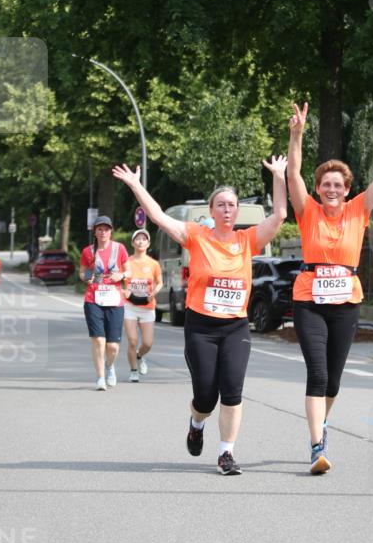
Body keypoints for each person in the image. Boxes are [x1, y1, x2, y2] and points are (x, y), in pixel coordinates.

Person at [113, 156, 288, 476]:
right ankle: (196, 424)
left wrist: (279, 176)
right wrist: (137, 186)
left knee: (232, 390)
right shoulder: (196, 235)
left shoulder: (247, 240)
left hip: (236, 326)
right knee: (206, 396)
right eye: (220, 205)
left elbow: (279, 215)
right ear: (211, 211)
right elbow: (158, 217)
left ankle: (226, 454)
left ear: (236, 211)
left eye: (231, 205)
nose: (226, 209)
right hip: (201, 327)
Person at [287, 101, 373, 474]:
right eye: (326, 184)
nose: (332, 189)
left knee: (334, 380)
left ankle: (322, 422)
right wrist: (297, 134)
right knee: (318, 374)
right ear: (319, 189)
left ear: (347, 188)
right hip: (309, 299)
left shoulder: (358, 210)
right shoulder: (307, 211)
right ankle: (316, 445)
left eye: (338, 184)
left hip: (345, 301)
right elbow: (293, 173)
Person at [79, 215, 130, 390]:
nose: (103, 232)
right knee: (99, 341)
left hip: (115, 300)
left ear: (111, 231)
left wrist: (121, 275)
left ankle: (110, 366)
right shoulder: (88, 251)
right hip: (93, 299)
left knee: (112, 346)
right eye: (99, 229)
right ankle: (100, 377)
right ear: (95, 231)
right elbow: (82, 272)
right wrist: (87, 277)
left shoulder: (120, 248)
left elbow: (129, 270)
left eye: (106, 229)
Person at [123, 229, 163, 382]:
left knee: (147, 343)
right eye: (137, 239)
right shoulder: (127, 262)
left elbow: (160, 283)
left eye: (143, 239)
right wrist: (124, 290)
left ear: (148, 243)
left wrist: (154, 291)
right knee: (132, 340)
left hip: (147, 307)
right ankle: (133, 370)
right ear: (133, 243)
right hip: (130, 306)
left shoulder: (153, 264)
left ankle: (139, 356)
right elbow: (119, 278)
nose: (140, 241)